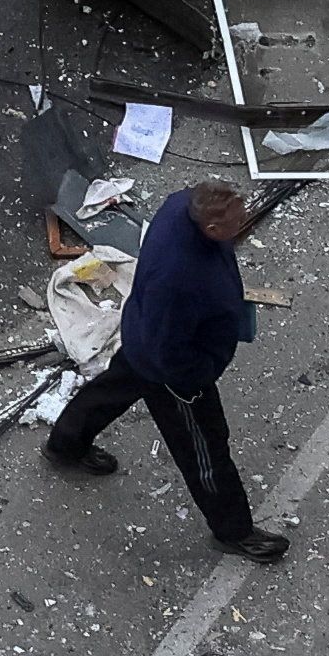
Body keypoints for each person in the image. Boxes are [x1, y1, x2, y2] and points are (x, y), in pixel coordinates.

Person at [48, 182, 291, 561]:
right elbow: (168, 349)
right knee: (205, 448)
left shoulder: (182, 205)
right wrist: (192, 380)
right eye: (235, 221)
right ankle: (234, 530)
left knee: (113, 389)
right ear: (211, 228)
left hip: (141, 333)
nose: (243, 223)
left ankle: (65, 444)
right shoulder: (181, 278)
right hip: (173, 372)